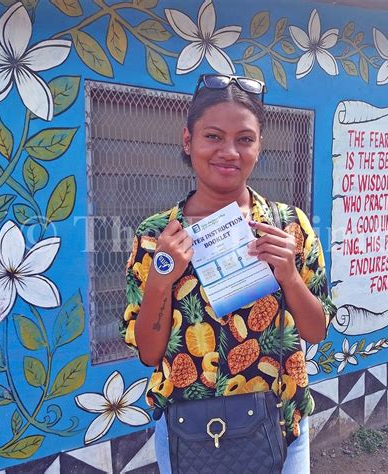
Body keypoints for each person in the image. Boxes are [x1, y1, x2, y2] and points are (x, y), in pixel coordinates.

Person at [122, 74, 336, 473]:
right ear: (188, 141)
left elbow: (316, 330)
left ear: (259, 146)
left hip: (280, 424)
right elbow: (149, 353)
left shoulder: (289, 226)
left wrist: (288, 275)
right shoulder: (156, 236)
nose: (229, 151)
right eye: (214, 136)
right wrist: (162, 277)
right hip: (190, 433)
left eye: (245, 139)